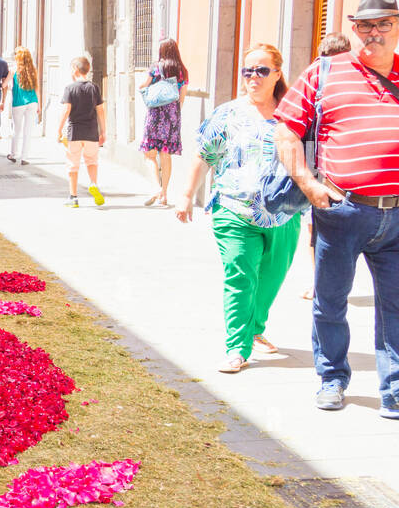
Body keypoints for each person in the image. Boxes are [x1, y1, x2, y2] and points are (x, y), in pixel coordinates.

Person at [274, 0, 399, 419]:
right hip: (343, 210)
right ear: (354, 29)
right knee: (330, 300)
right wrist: (309, 184)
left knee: (398, 304)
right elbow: (285, 131)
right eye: (365, 25)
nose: (373, 33)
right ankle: (332, 379)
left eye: (383, 24)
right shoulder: (325, 71)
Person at [176, 43, 301, 373]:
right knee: (240, 275)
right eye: (248, 71)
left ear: (277, 73)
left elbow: (310, 161)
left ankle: (255, 326)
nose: (253, 77)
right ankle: (237, 347)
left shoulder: (294, 113)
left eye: (261, 70)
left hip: (284, 213)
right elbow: (203, 155)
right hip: (234, 210)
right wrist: (187, 195)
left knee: (272, 279)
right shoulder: (227, 113)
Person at [301, 32, 354, 300]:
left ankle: (318, 280)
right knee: (327, 223)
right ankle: (325, 281)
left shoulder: (313, 76)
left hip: (315, 158)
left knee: (315, 222)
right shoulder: (349, 76)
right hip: (335, 162)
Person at [138, 38, 188, 206]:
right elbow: (182, 97)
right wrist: (174, 113)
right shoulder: (182, 71)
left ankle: (155, 187)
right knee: (165, 154)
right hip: (173, 116)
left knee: (149, 154)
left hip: (155, 115)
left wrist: (145, 89)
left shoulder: (155, 68)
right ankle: (164, 194)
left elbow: (142, 85)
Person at [56, 56, 106, 208]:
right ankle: (94, 184)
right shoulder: (94, 88)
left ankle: (73, 197)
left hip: (75, 132)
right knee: (92, 161)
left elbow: (66, 110)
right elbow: (101, 111)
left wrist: (59, 130)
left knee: (72, 165)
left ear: (76, 70)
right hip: (91, 132)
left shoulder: (70, 88)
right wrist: (103, 131)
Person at [8, 47, 42, 166]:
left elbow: (4, 84)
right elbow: (37, 88)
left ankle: (13, 154)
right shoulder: (33, 70)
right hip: (32, 102)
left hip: (18, 103)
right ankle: (25, 157)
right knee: (28, 131)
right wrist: (39, 104)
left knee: (16, 130)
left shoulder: (13, 70)